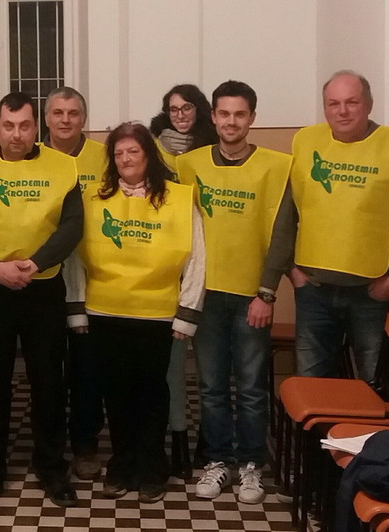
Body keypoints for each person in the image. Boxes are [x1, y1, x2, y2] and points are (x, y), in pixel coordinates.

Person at [261, 70, 389, 385]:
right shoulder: (307, 143)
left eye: (352, 102)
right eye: (333, 104)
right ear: (325, 107)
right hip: (314, 292)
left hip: (371, 296)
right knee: (311, 390)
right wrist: (292, 271)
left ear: (369, 104)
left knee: (375, 387)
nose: (342, 111)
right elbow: (285, 217)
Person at [0, 91, 82, 511]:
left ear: (36, 126)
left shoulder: (62, 167)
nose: (16, 134)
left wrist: (36, 263)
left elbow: (72, 225)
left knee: (49, 382)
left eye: (25, 125)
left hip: (43, 288)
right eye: (8, 126)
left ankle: (52, 468)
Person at [176, 81, 291, 504]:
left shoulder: (277, 167)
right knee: (210, 386)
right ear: (213, 117)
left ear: (252, 118)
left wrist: (267, 293)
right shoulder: (188, 165)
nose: (231, 121)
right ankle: (218, 460)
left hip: (251, 297)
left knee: (251, 388)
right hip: (205, 295)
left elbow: (282, 233)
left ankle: (251, 465)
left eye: (239, 114)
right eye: (224, 113)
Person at [79, 121, 205, 503]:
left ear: (148, 155)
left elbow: (197, 257)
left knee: (152, 394)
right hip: (105, 311)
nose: (126, 159)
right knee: (116, 394)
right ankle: (122, 464)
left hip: (157, 314)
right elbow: (74, 258)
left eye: (133, 151)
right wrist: (76, 309)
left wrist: (188, 312)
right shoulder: (93, 198)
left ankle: (152, 467)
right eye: (118, 153)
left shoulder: (178, 198)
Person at [149, 83, 218, 476]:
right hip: (169, 266)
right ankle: (176, 436)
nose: (179, 115)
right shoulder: (152, 148)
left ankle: (210, 441)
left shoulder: (212, 149)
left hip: (213, 264)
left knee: (209, 368)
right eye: (173, 108)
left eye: (187, 107)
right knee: (172, 366)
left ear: (199, 110)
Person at [42, 86, 107, 481]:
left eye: (73, 113)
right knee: (47, 370)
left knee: (87, 370)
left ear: (84, 118)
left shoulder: (105, 157)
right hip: (43, 279)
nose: (65, 120)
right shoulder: (32, 157)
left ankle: (85, 445)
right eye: (58, 113)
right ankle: (48, 446)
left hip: (94, 279)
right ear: (46, 118)